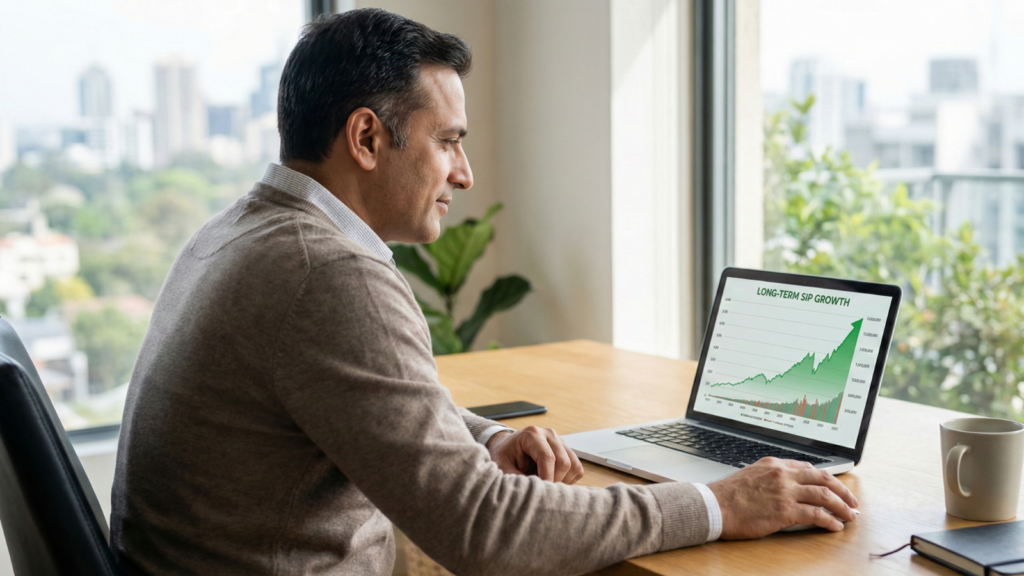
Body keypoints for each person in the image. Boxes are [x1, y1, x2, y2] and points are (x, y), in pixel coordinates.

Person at [110, 8, 859, 576]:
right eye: (449, 142)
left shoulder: (239, 231)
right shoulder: (329, 274)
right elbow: (485, 532)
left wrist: (486, 438)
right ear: (367, 140)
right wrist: (717, 504)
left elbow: (364, 402)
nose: (464, 176)